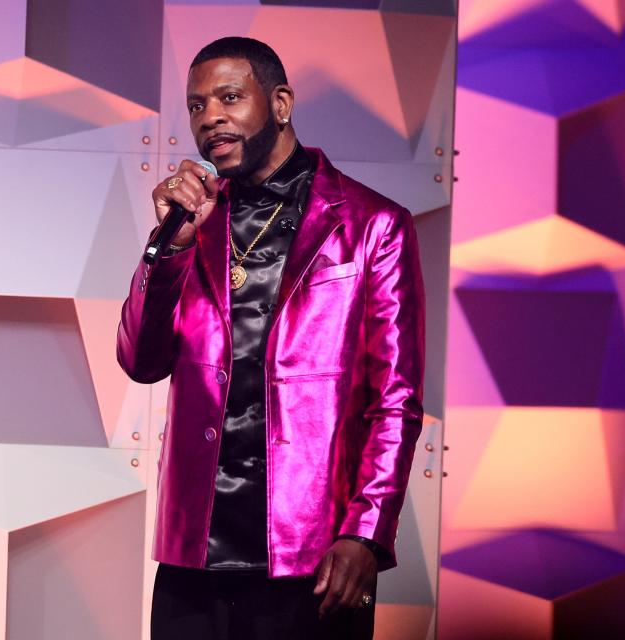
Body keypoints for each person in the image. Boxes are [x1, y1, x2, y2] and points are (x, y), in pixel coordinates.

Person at [116, 36, 425, 639]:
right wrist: (169, 249)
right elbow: (140, 360)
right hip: (194, 559)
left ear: (280, 104)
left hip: (310, 561)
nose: (211, 118)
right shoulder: (193, 225)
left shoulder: (372, 226)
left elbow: (395, 400)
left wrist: (365, 533)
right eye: (197, 106)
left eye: (230, 97)